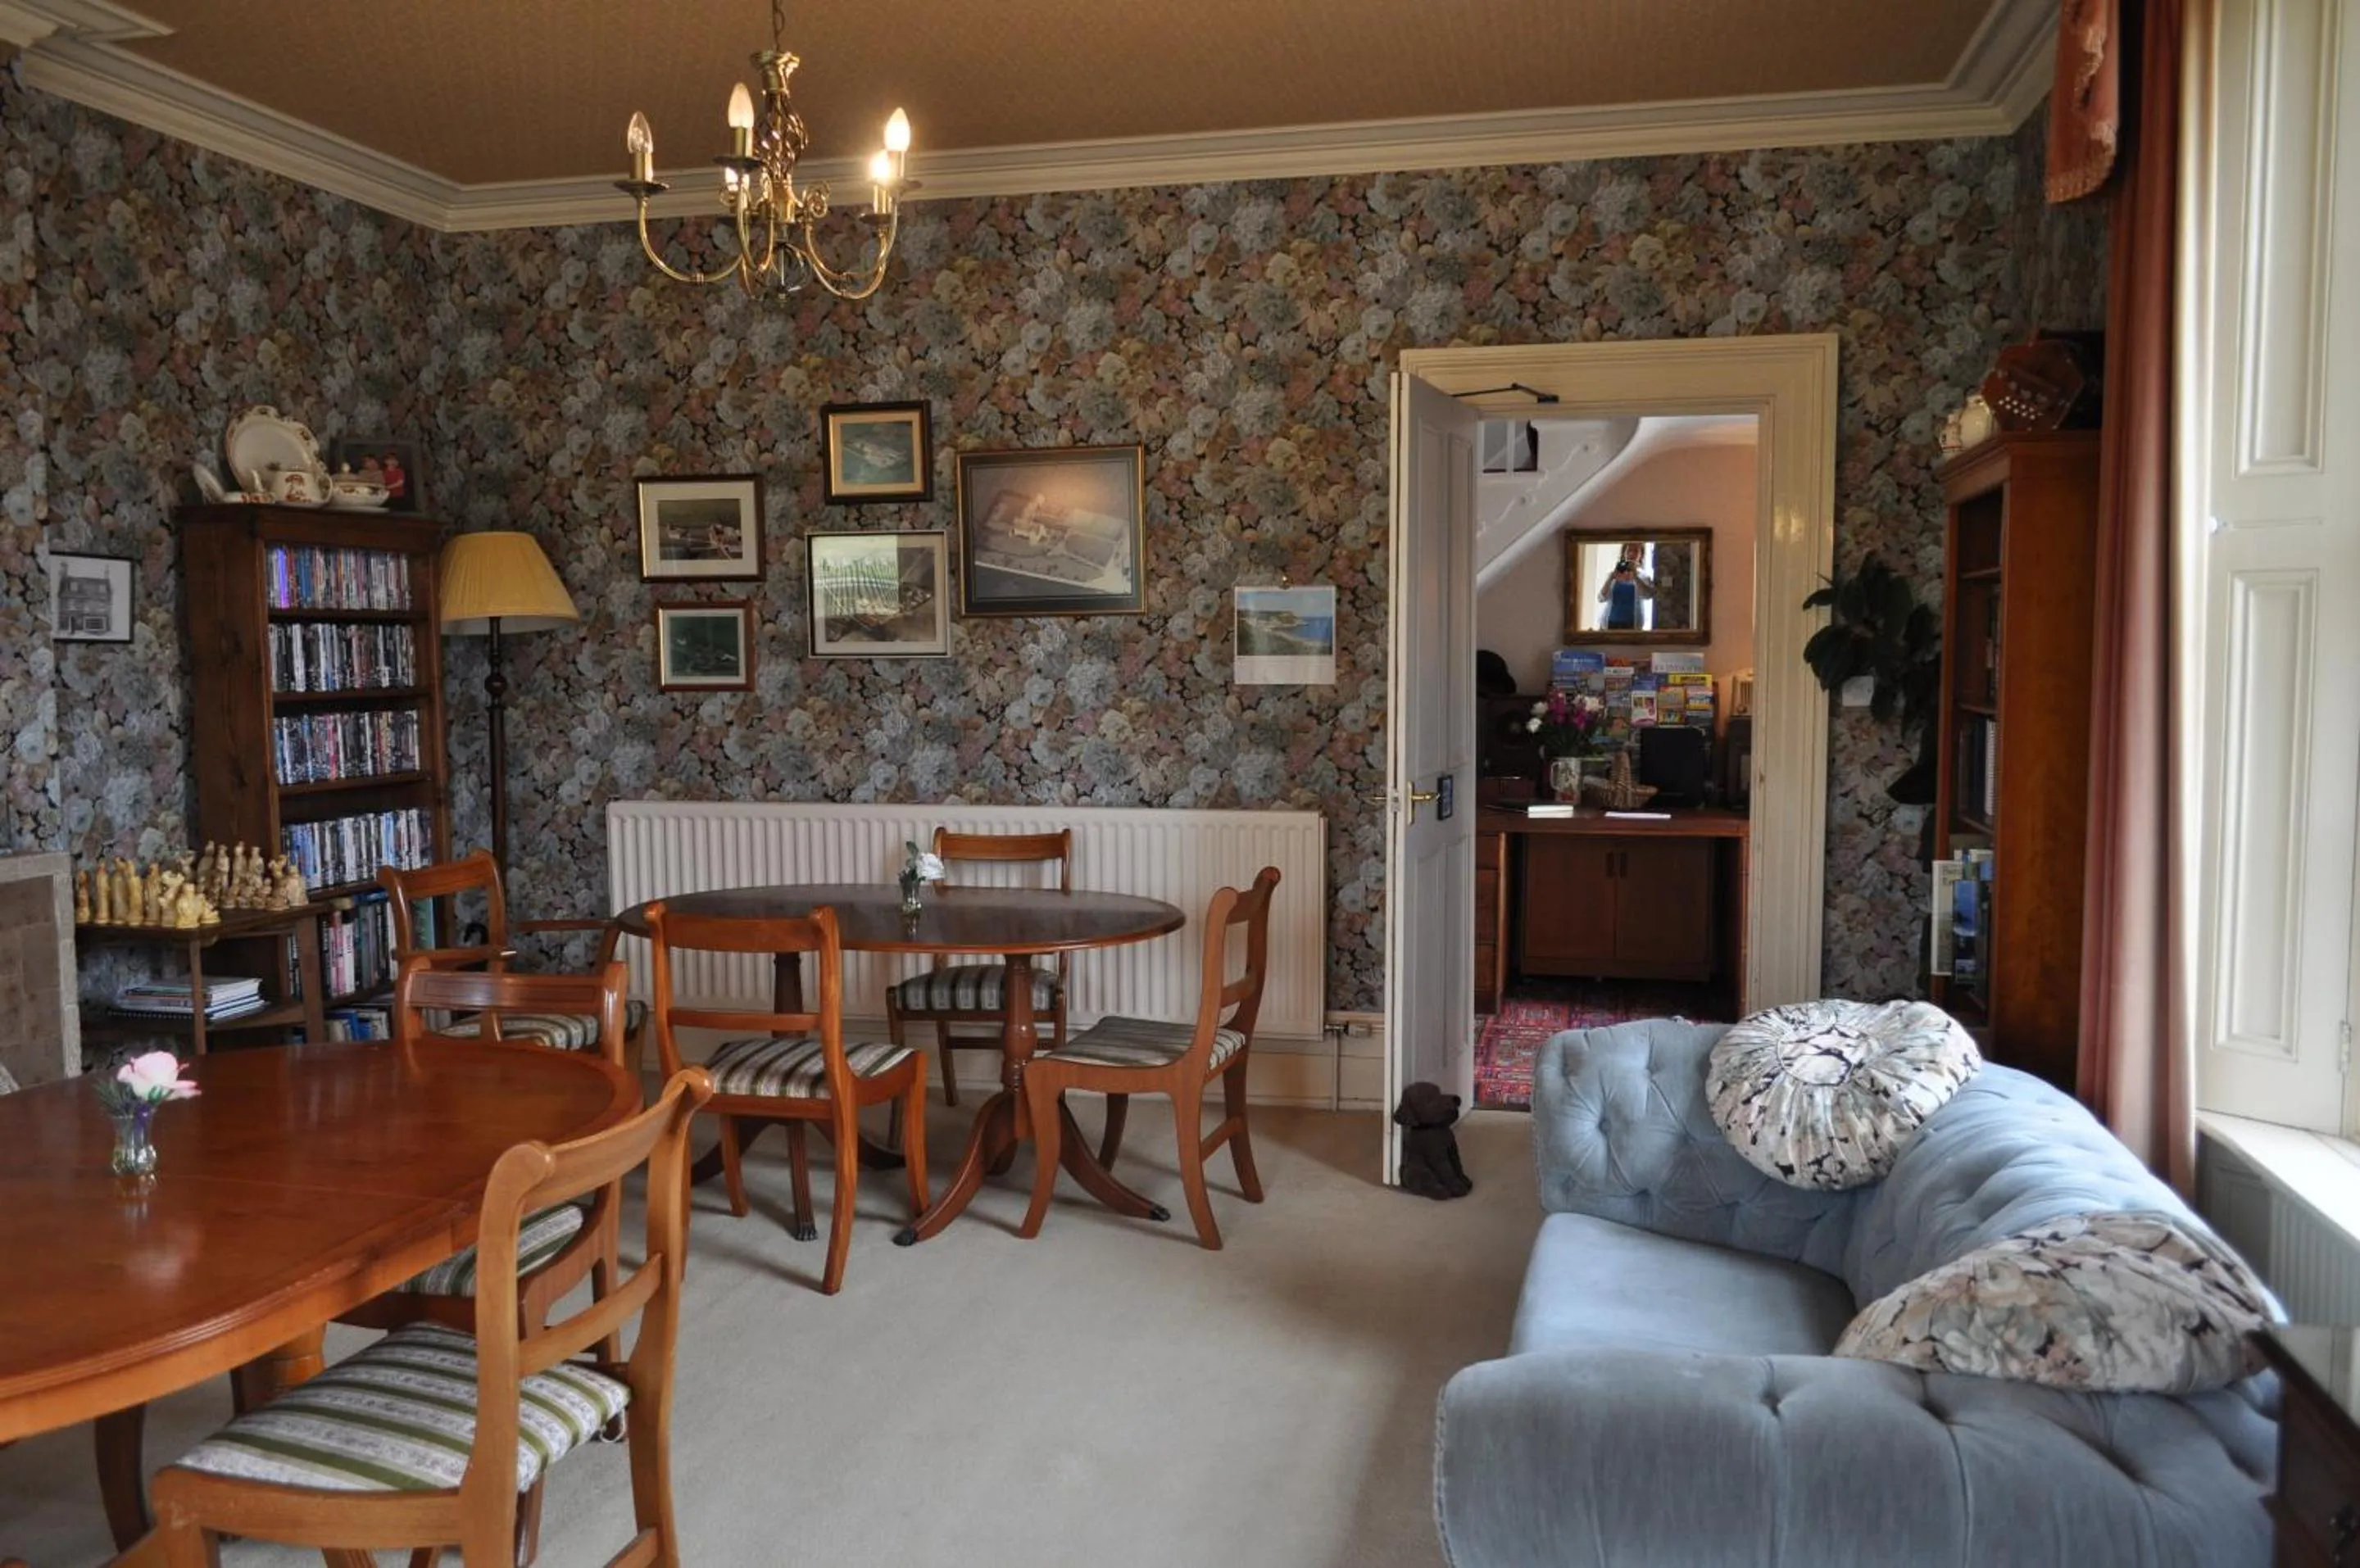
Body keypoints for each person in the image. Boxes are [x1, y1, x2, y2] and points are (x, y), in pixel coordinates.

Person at [1597, 542, 1654, 630]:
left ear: (1641, 555)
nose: (1631, 554)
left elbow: (1648, 595)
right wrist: (1611, 578)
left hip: (1633, 625)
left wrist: (1635, 577)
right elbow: (1601, 598)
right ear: (1624, 553)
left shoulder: (1644, 577)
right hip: (1609, 624)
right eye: (1629, 550)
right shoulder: (1613, 575)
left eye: (1636, 551)